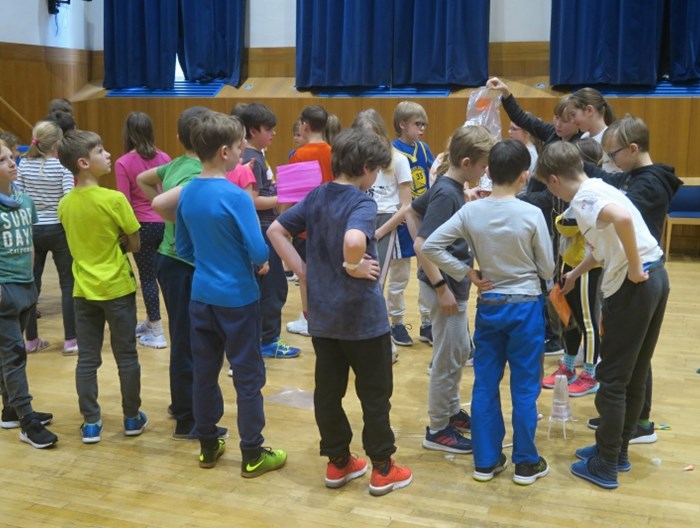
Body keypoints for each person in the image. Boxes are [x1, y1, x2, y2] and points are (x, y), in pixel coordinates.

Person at [267, 128, 412, 497]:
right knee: (374, 395)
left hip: (324, 318)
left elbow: (276, 231)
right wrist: (351, 266)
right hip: (363, 321)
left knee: (328, 393)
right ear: (366, 168)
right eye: (377, 170)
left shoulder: (317, 195)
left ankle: (338, 461)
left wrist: (304, 271)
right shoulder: (362, 202)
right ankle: (383, 469)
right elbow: (354, 239)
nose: (376, 177)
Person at [536, 141, 670, 490]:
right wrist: (575, 274)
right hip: (656, 278)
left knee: (612, 379)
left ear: (554, 180)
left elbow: (622, 220)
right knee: (633, 373)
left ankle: (606, 463)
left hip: (634, 285)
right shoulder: (597, 187)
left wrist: (634, 267)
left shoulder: (583, 199)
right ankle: (615, 452)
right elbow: (602, 245)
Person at [423, 139, 554, 485]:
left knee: (485, 384)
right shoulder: (531, 213)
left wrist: (467, 271)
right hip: (525, 306)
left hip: (490, 305)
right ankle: (526, 463)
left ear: (489, 172)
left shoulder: (471, 211)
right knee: (524, 388)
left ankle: (485, 461)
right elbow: (547, 268)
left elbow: (431, 245)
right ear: (524, 176)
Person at [175, 111, 287, 474]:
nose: (243, 153)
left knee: (205, 372)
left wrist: (212, 259)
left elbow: (183, 248)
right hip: (238, 299)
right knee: (247, 376)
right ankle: (252, 453)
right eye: (240, 147)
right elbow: (258, 251)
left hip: (201, 296)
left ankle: (208, 446)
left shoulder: (187, 192)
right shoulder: (237, 197)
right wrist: (254, 263)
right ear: (225, 151)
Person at [583, 115, 682, 443]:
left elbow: (622, 216)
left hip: (638, 275)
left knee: (634, 358)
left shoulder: (650, 184)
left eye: (613, 155)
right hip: (635, 273)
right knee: (633, 355)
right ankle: (627, 420)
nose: (610, 163)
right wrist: (581, 167)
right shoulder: (636, 176)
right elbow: (612, 182)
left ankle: (637, 423)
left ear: (634, 149)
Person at [137, 106, 229, 441]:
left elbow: (142, 180)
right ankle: (188, 419)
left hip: (172, 263)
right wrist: (177, 216)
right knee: (191, 344)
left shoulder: (174, 165)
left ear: (179, 137)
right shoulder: (195, 174)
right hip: (183, 265)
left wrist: (169, 213)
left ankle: (182, 406)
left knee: (185, 339)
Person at [410, 126, 496, 455]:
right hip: (444, 289)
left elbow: (412, 212)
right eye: (483, 166)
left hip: (451, 286)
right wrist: (440, 286)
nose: (485, 172)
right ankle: (437, 428)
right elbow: (422, 245)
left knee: (459, 351)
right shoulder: (447, 193)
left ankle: (450, 410)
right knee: (448, 358)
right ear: (467, 162)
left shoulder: (451, 188)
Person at [57, 130, 147, 444]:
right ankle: (132, 418)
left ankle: (91, 423)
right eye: (100, 151)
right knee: (127, 356)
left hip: (83, 291)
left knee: (87, 359)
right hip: (117, 289)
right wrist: (120, 242)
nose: (108, 155)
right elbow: (135, 244)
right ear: (83, 162)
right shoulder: (115, 199)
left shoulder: (65, 204)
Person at [0, 139, 57, 448]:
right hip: (3, 290)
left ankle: (10, 409)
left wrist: (32, 284)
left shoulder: (24, 201)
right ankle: (27, 421)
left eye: (12, 157)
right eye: (2, 160)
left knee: (8, 354)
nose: (12, 163)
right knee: (15, 355)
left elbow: (30, 244)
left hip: (24, 287)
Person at [232, 103, 299, 358]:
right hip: (261, 229)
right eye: (268, 129)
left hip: (262, 227)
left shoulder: (255, 156)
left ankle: (261, 338)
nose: (273, 133)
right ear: (253, 131)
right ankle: (268, 340)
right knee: (273, 288)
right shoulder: (252, 158)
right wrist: (283, 196)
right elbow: (251, 200)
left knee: (268, 287)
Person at [542, 139, 604, 397]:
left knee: (587, 321)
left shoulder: (589, 194)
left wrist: (558, 218)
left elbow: (566, 226)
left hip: (587, 265)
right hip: (568, 261)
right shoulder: (576, 195)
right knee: (568, 318)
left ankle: (590, 374)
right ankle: (568, 367)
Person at [16, 120, 77, 356]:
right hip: (58, 229)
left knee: (33, 284)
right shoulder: (62, 166)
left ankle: (31, 340)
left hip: (32, 230)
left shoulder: (23, 164)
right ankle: (71, 340)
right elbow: (68, 198)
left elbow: (20, 197)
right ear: (57, 143)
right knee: (68, 285)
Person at [115, 112, 171, 349]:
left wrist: (125, 233)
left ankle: (157, 331)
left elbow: (124, 203)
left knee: (147, 277)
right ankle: (152, 321)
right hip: (165, 222)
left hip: (142, 226)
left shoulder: (123, 162)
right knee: (164, 277)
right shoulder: (165, 157)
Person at [285, 104, 334, 338]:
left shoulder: (299, 155)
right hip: (331, 224)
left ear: (304, 126)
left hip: (306, 227)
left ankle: (308, 320)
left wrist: (284, 224)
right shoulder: (334, 152)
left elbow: (290, 196)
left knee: (305, 275)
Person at [390, 101, 435, 346]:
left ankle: (427, 323)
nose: (422, 129)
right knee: (399, 277)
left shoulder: (424, 149)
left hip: (423, 219)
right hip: (401, 222)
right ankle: (396, 323)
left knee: (427, 272)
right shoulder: (391, 152)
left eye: (424, 124)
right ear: (402, 124)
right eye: (418, 124)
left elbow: (433, 176)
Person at [567, 87, 618, 171]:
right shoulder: (584, 137)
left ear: (589, 110)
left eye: (573, 114)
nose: (572, 121)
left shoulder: (611, 139)